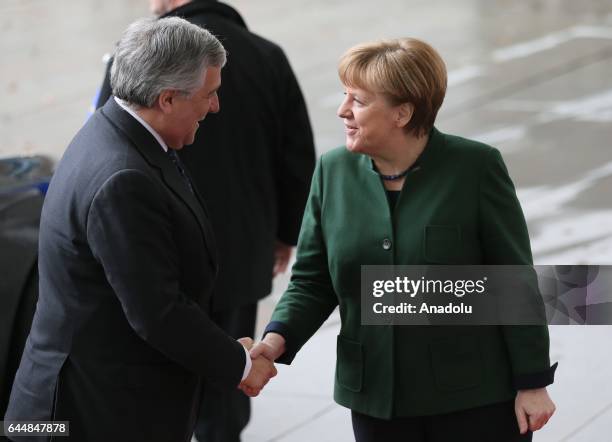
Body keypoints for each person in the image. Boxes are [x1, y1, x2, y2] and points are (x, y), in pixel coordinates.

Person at [251, 38, 557, 442]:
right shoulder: (332, 171)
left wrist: (533, 381)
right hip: (377, 399)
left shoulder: (476, 168)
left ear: (403, 112)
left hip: (474, 396)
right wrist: (275, 340)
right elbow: (312, 280)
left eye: (357, 100)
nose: (343, 110)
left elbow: (513, 282)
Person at [4, 17, 277, 442]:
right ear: (167, 98)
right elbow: (158, 311)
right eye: (209, 94)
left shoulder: (117, 131)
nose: (215, 106)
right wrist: (239, 363)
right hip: (83, 414)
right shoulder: (122, 179)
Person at [96, 3, 315, 439]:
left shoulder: (140, 52)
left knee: (162, 375)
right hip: (240, 250)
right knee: (224, 396)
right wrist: (285, 235)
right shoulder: (267, 55)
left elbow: (107, 132)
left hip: (157, 254)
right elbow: (296, 157)